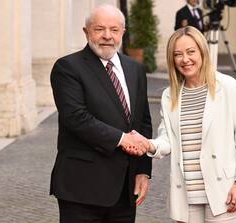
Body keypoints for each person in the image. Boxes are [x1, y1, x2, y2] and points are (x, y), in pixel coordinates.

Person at [139, 26, 236, 222]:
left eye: (190, 52)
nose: (185, 59)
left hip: (225, 191)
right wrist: (150, 145)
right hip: (186, 194)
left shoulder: (228, 87)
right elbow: (168, 138)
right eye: (177, 54)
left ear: (203, 51)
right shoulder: (170, 95)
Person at [49, 4, 152, 223]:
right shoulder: (67, 67)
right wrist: (123, 139)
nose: (107, 36)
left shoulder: (135, 69)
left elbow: (143, 122)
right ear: (86, 31)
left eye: (114, 30)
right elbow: (76, 117)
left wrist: (143, 170)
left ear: (123, 32)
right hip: (82, 190)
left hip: (125, 190)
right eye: (99, 29)